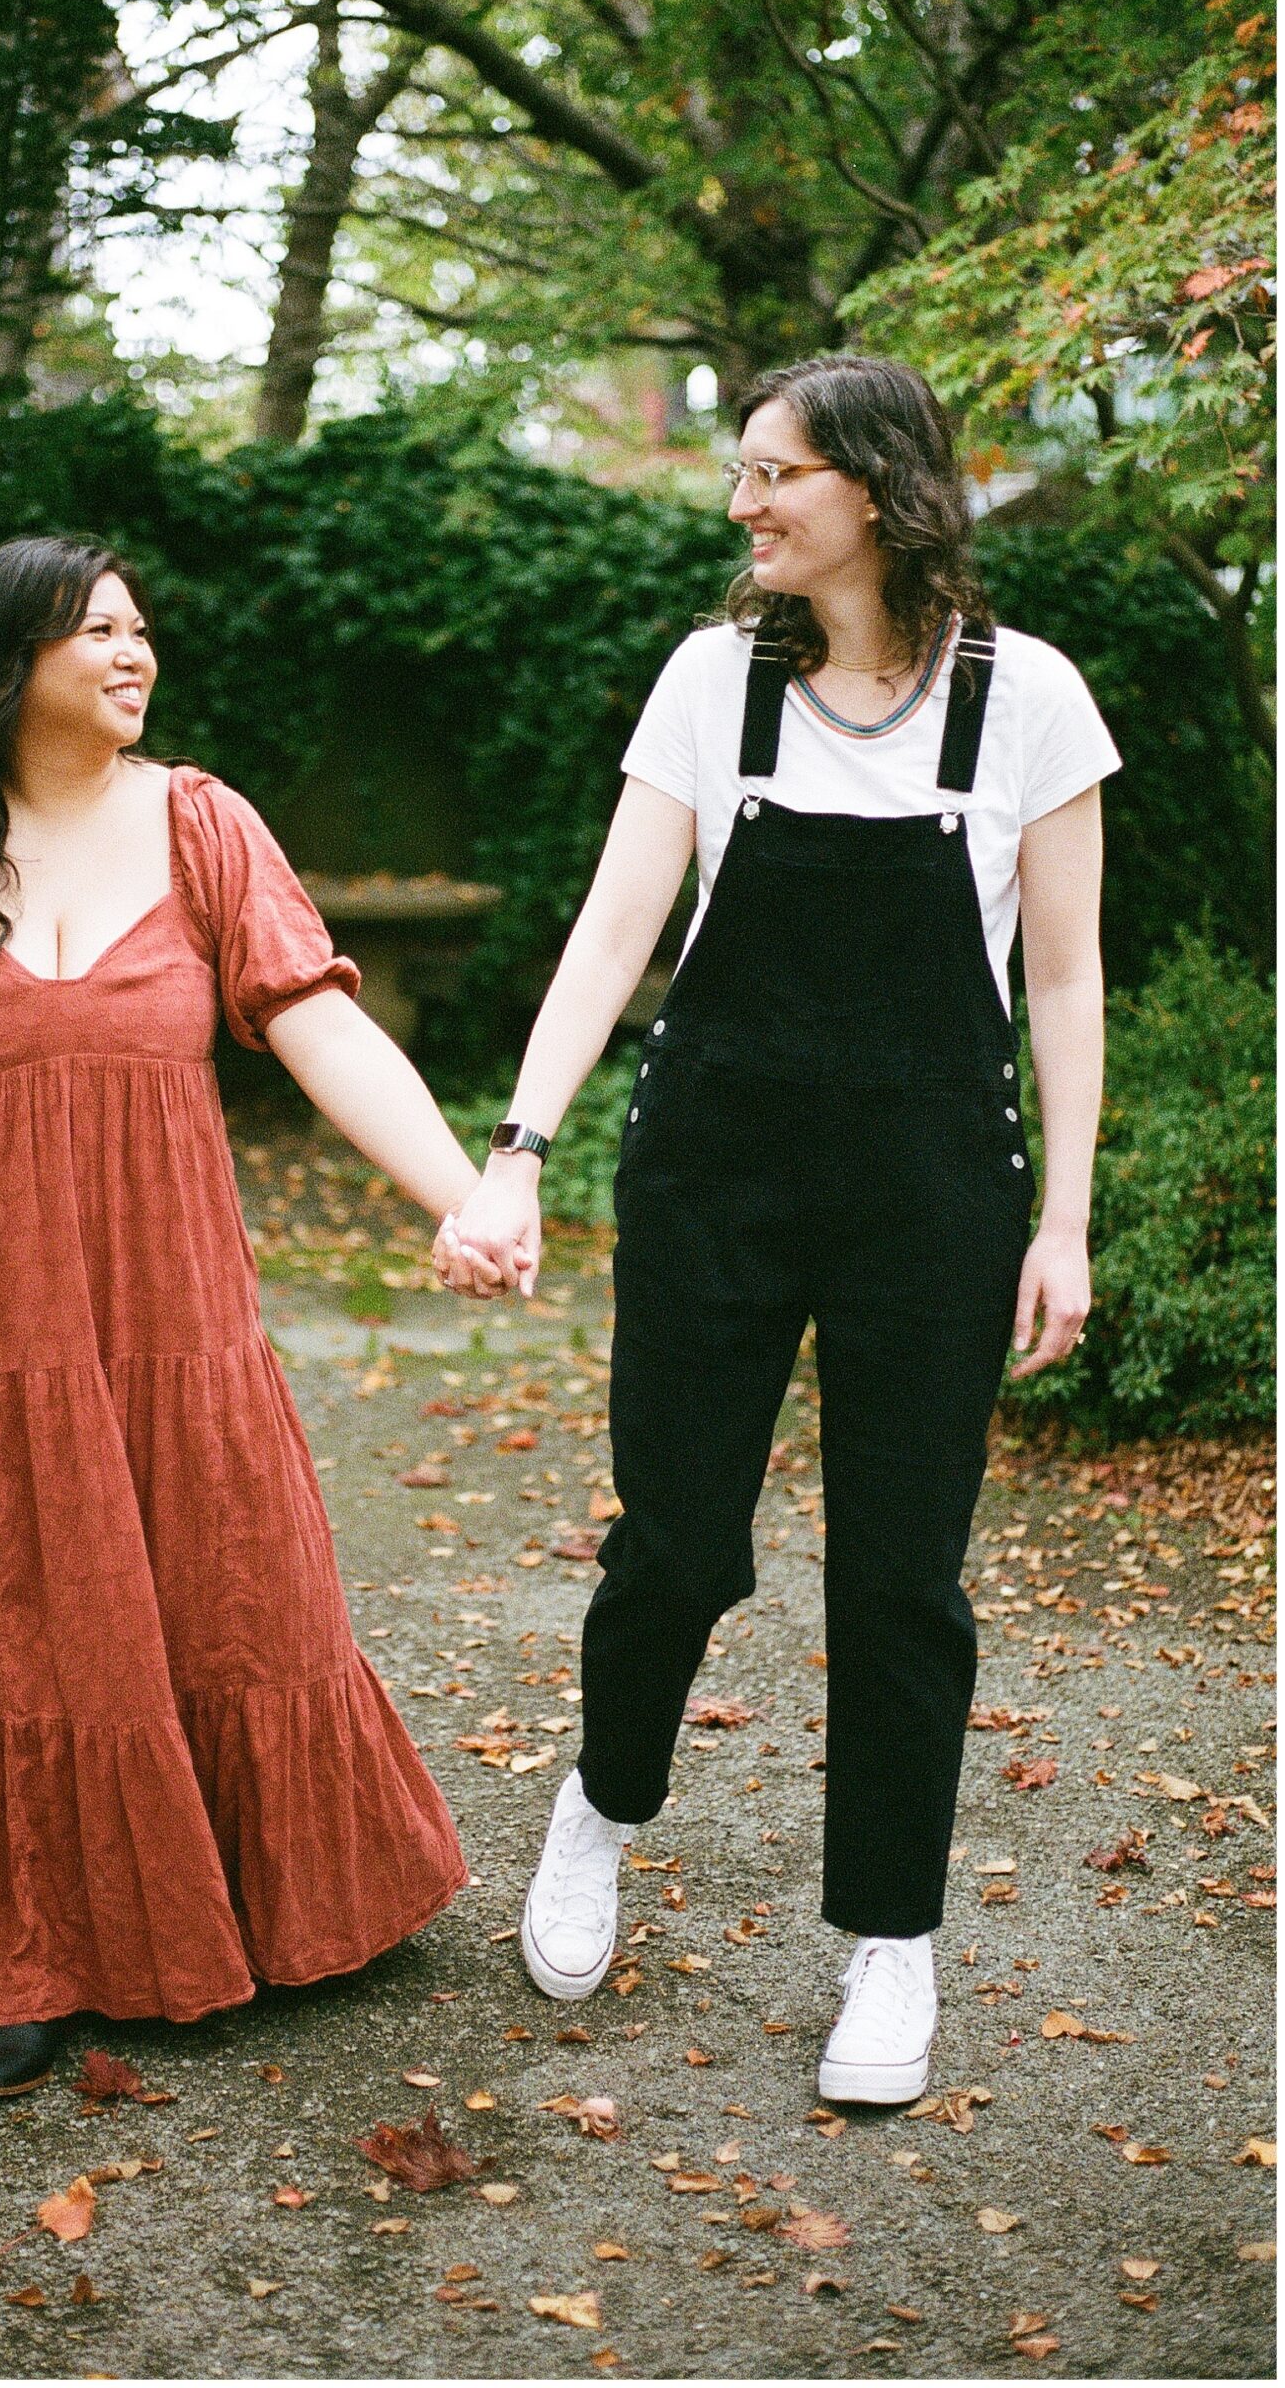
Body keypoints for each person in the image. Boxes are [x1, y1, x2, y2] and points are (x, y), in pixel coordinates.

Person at [434, 354, 1118, 2107]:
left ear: (876, 492)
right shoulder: (710, 685)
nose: (743, 505)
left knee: (901, 1578)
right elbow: (611, 933)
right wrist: (514, 1151)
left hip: (931, 1194)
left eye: (772, 474)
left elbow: (1063, 975)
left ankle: (892, 1940)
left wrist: (1068, 1221)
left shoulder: (1027, 700)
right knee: (678, 1539)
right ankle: (601, 1803)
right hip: (712, 1175)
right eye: (740, 475)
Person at [0, 533, 491, 2100]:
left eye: (141, 628)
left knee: (233, 1569)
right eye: (96, 631)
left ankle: (281, 1903)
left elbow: (318, 1022)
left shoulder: (205, 823)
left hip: (170, 1295)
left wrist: (462, 1193)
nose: (133, 652)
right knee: (12, 1617)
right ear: (11, 658)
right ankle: (25, 1956)